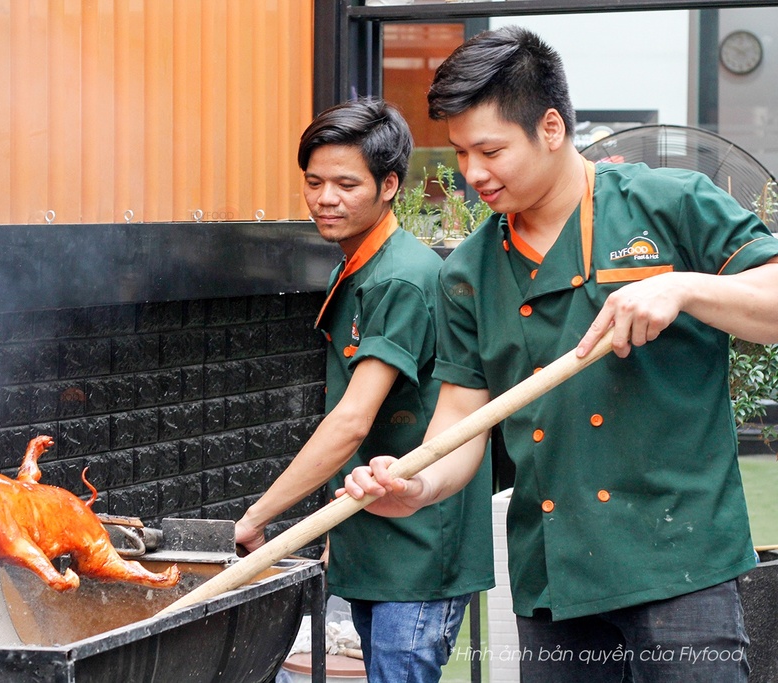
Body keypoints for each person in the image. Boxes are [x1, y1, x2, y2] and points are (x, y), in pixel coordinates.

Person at [339, 26, 778, 683]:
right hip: (554, 579)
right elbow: (460, 421)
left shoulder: (669, 205)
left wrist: (683, 287)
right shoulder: (469, 269)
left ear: (550, 127)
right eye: (460, 153)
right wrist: (416, 484)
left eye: (489, 150)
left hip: (679, 563)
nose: (472, 173)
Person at [234, 98, 494, 682]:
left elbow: (352, 419)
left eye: (347, 184)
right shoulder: (355, 265)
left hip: (419, 546)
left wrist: (258, 516)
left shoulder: (403, 276)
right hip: (371, 534)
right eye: (314, 182)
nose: (327, 198)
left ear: (389, 186)